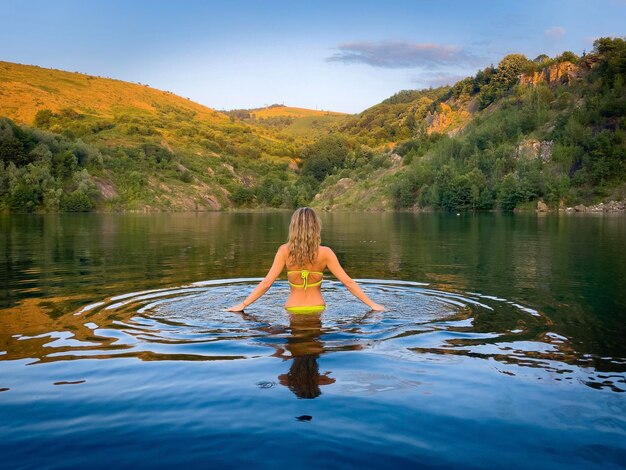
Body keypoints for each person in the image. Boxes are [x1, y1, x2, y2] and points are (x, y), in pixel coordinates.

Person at [227, 207, 384, 313]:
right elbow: (348, 282)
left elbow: (267, 283)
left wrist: (242, 305)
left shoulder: (284, 251)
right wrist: (373, 305)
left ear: (293, 227)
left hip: (292, 309)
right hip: (317, 309)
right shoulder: (326, 253)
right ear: (316, 227)